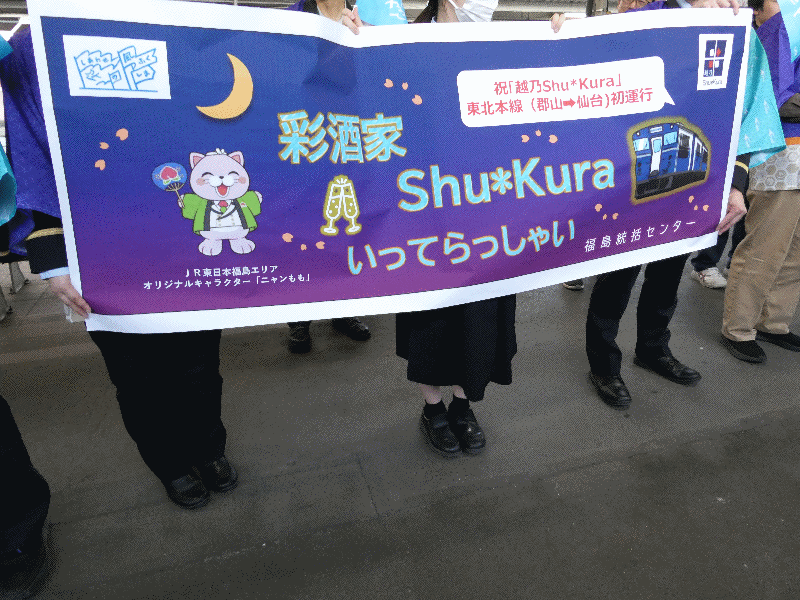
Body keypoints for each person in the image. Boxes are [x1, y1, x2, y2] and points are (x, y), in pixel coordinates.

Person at [0, 25, 239, 511]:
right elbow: (32, 152)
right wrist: (52, 259)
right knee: (137, 376)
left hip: (188, 244)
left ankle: (207, 447)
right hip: (103, 251)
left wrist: (324, 19)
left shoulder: (180, 25)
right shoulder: (36, 40)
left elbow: (263, 59)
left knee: (199, 364)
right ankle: (169, 463)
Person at [553, 0, 746, 411]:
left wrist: (736, 183)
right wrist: (566, 34)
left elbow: (743, 112)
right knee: (617, 279)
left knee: (667, 277)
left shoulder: (731, 27)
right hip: (629, 187)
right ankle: (604, 365)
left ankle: (653, 349)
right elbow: (588, 61)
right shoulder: (646, 19)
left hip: (686, 190)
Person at [347, 0, 513, 457]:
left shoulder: (501, 48)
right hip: (425, 216)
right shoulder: (401, 42)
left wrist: (562, 36)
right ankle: (433, 408)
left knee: (479, 317)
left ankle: (463, 405)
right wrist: (346, 39)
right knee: (432, 319)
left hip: (484, 219)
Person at [283, 0, 373, 355]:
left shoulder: (365, 19)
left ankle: (344, 308)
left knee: (347, 228)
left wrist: (368, 38)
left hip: (348, 142)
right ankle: (300, 318)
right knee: (305, 229)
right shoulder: (288, 19)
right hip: (303, 143)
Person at [720, 0, 800, 363]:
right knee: (766, 245)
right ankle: (739, 327)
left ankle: (774, 321)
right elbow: (770, 96)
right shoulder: (775, 29)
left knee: (795, 249)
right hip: (781, 153)